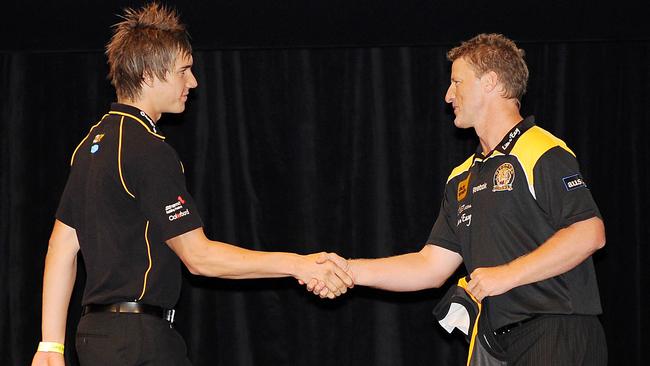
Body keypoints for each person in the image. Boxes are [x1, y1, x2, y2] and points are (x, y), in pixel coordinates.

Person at [31, 3, 352, 366]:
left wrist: (51, 346)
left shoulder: (91, 144)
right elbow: (199, 257)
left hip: (93, 337)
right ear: (151, 74)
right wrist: (299, 264)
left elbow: (61, 246)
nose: (193, 82)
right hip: (139, 342)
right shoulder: (148, 150)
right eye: (184, 71)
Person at [314, 33, 607, 365]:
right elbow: (430, 266)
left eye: (457, 82)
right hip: (496, 342)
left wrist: (507, 274)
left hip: (556, 332)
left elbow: (589, 232)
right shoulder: (462, 176)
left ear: (491, 83)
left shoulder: (540, 150)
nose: (448, 95)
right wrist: (347, 270)